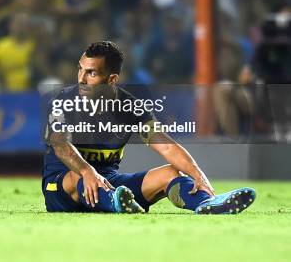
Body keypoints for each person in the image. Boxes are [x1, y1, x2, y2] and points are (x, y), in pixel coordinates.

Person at [42, 41, 257, 214]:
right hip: (62, 187)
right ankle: (117, 203)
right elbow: (61, 146)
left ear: (112, 80)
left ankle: (207, 203)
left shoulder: (130, 107)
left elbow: (166, 147)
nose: (81, 79)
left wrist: (198, 174)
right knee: (79, 176)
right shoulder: (64, 101)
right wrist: (88, 171)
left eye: (91, 73)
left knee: (171, 173)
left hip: (109, 181)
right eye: (80, 69)